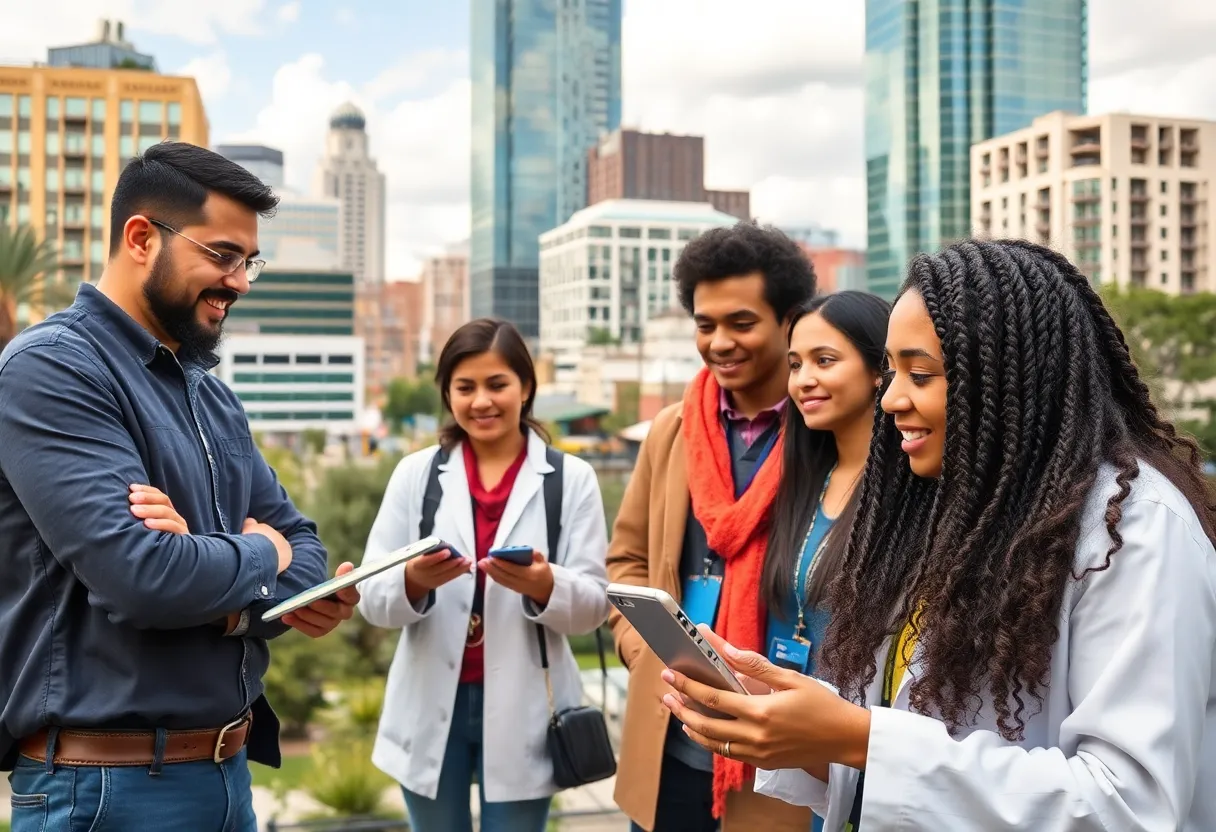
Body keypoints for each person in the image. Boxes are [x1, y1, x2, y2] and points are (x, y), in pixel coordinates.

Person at [658, 238, 1216, 830]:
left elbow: (1128, 803)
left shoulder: (1136, 530)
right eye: (893, 371)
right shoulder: (952, 511)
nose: (892, 397)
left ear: (1007, 376)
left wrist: (862, 739)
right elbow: (917, 747)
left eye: (920, 374)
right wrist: (802, 728)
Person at [0, 141, 358, 832]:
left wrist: (218, 576)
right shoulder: (49, 372)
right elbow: (144, 578)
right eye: (223, 255)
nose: (242, 280)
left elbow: (307, 550)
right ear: (141, 238)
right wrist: (261, 557)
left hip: (228, 777)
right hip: (102, 793)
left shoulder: (211, 397)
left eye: (249, 261)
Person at [357, 318, 611, 832]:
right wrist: (414, 581)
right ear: (447, 394)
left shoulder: (571, 480)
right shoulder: (417, 474)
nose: (482, 401)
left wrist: (545, 586)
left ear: (526, 387)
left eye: (497, 384)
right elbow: (370, 595)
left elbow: (594, 607)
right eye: (465, 387)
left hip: (526, 711)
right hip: (431, 703)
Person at [608, 221, 816, 832]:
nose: (720, 341)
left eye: (741, 323)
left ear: (789, 321)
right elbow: (625, 563)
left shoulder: (826, 436)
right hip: (669, 729)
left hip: (776, 742)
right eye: (705, 325)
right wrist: (644, 650)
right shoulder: (672, 431)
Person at [758, 291, 889, 832]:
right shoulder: (808, 480)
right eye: (795, 365)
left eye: (824, 360)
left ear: (881, 370)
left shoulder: (909, 494)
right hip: (807, 751)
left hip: (874, 749)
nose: (804, 379)